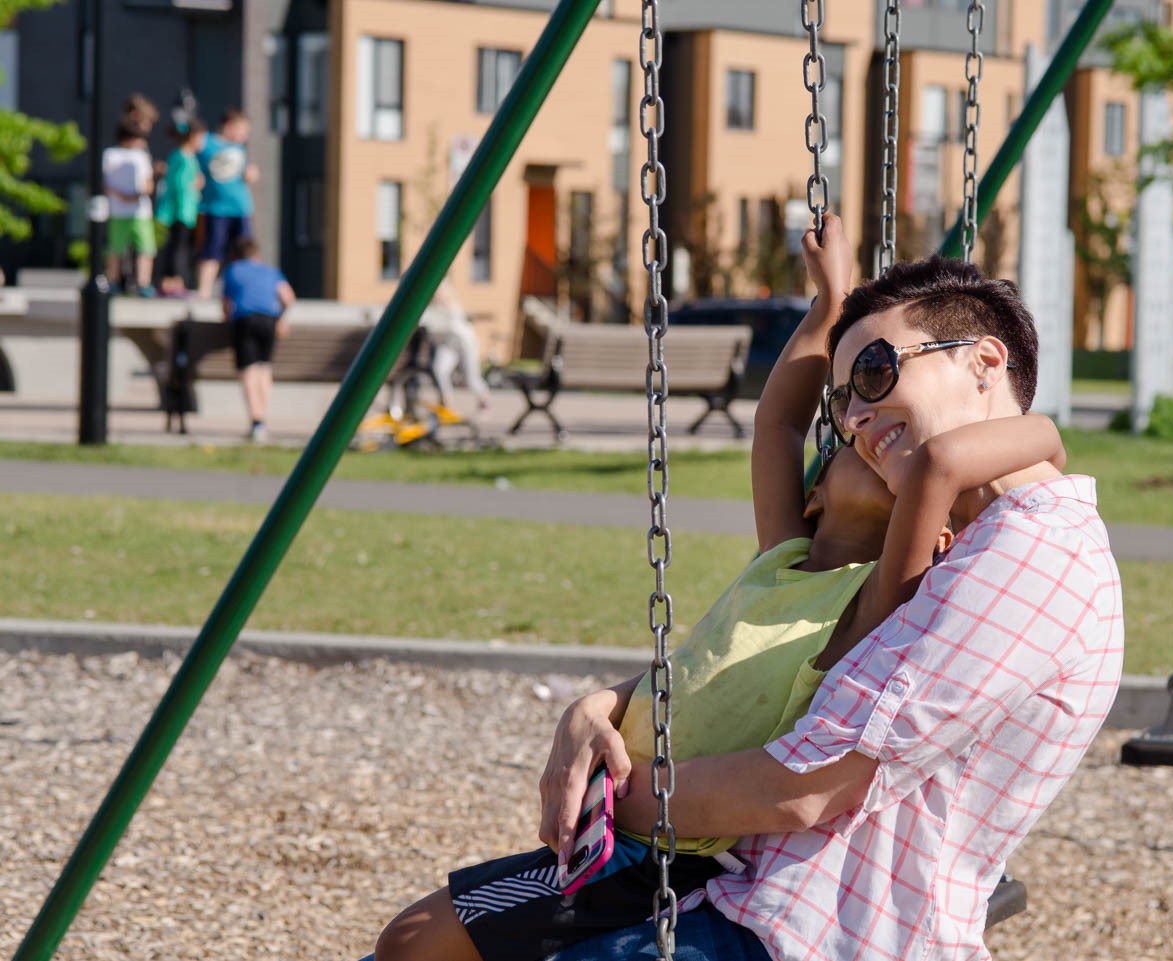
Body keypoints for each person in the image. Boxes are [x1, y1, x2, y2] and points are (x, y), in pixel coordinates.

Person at [370, 215, 1066, 961]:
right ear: (812, 498)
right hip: (614, 822)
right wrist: (828, 301)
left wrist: (1046, 434)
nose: (861, 433)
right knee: (411, 939)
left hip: (680, 847)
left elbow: (938, 467)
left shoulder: (876, 600)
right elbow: (779, 423)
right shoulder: (783, 557)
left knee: (417, 942)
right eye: (842, 437)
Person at [220, 237, 295, 442]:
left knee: (249, 371)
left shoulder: (232, 270)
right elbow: (288, 297)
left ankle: (256, 420)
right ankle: (262, 416)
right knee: (264, 368)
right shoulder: (270, 271)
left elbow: (226, 306)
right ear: (257, 254)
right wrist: (280, 319)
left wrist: (228, 321)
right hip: (269, 321)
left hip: (245, 321)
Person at [195, 108, 259, 298]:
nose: (245, 136)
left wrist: (250, 175)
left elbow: (241, 173)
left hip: (241, 208)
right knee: (213, 249)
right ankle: (204, 290)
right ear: (230, 126)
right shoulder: (207, 142)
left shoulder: (239, 149)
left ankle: (247, 290)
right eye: (242, 131)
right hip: (216, 208)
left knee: (245, 251)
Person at [101, 120, 156, 297]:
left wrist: (138, 194)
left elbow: (148, 182)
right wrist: (122, 195)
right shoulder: (111, 155)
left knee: (145, 247)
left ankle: (143, 283)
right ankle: (113, 281)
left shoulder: (142, 156)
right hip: (118, 211)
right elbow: (105, 183)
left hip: (141, 212)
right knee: (115, 248)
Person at [423, 279, 491, 416]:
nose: (437, 295)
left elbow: (449, 322)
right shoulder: (429, 309)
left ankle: (485, 399)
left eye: (439, 292)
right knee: (439, 369)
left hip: (465, 344)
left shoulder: (451, 306)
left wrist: (443, 303)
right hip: (448, 345)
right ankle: (447, 401)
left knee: (471, 379)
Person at [154, 120, 206, 296]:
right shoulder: (183, 157)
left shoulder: (183, 156)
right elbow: (180, 185)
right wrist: (196, 185)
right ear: (192, 137)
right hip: (179, 211)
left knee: (178, 247)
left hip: (183, 211)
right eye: (201, 137)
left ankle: (172, 283)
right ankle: (174, 283)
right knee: (178, 249)